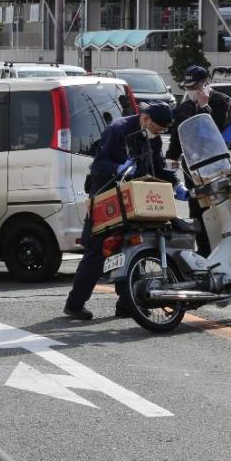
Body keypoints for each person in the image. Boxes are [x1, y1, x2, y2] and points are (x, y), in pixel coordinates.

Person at [63, 104, 186, 320]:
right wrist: (118, 167)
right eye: (157, 128)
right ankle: (74, 304)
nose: (158, 134)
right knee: (97, 251)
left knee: (133, 246)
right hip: (106, 196)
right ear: (146, 118)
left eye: (162, 131)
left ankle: (128, 304)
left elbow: (157, 166)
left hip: (134, 198)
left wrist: (176, 185)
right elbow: (99, 164)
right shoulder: (118, 130)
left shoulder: (152, 138)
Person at [166, 65, 231, 255]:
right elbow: (176, 137)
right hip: (193, 169)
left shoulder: (223, 102)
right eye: (187, 87)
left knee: (223, 208)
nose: (190, 92)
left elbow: (217, 131)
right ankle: (204, 251)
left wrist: (205, 107)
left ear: (206, 84)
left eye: (194, 87)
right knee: (197, 210)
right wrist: (171, 159)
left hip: (218, 167)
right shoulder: (183, 108)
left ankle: (227, 249)